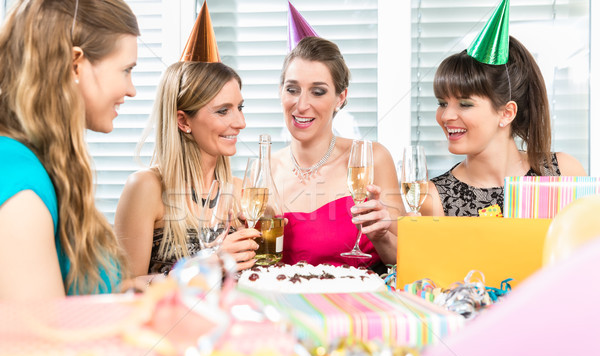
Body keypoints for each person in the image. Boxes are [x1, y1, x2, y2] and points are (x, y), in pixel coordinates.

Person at [0, 0, 139, 300]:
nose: (132, 89)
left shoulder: (46, 162)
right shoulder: (19, 187)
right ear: (76, 64)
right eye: (126, 70)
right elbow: (39, 343)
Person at [114, 62, 261, 277]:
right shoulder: (147, 187)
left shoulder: (242, 190)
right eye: (223, 111)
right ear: (183, 121)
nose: (241, 122)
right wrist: (206, 266)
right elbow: (126, 290)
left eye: (240, 107)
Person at [271, 36, 401, 271]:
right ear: (281, 91)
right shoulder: (264, 171)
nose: (301, 105)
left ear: (340, 98)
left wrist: (381, 235)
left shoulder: (371, 159)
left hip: (358, 304)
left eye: (318, 92)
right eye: (292, 89)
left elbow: (404, 260)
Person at [420, 35, 586, 217]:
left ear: (507, 113)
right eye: (442, 103)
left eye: (465, 104)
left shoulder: (562, 172)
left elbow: (589, 241)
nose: (446, 116)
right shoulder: (432, 199)